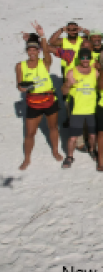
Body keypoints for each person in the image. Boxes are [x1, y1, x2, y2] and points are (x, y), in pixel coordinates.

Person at [17, 23, 63, 170]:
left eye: (34, 49)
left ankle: (55, 151)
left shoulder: (45, 63)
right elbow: (19, 84)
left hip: (49, 100)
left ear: (38, 50)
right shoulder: (20, 66)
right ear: (27, 51)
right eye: (29, 49)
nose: (32, 52)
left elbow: (48, 55)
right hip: (33, 101)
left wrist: (42, 35)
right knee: (30, 133)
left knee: (53, 128)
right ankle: (27, 158)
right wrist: (22, 88)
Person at [61, 48, 99, 168]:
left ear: (91, 58)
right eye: (83, 57)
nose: (85, 60)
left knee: (92, 135)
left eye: (88, 57)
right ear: (79, 58)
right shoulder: (72, 72)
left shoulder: (95, 72)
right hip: (77, 110)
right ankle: (70, 156)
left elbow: (101, 87)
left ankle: (92, 150)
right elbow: (64, 92)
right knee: (73, 137)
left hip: (92, 109)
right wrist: (68, 84)